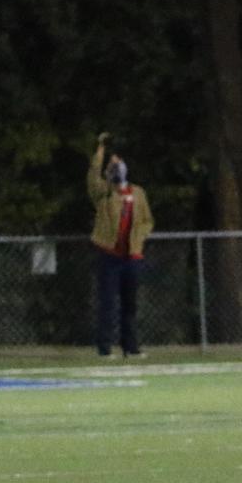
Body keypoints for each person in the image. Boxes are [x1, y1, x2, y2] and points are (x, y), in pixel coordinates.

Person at [87, 132, 153, 358]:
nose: (117, 166)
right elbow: (93, 176)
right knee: (108, 304)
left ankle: (130, 347)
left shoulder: (138, 193)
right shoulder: (104, 193)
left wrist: (139, 237)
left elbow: (147, 221)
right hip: (110, 256)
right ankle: (104, 349)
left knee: (130, 305)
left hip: (132, 257)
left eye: (119, 162)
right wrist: (100, 152)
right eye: (112, 164)